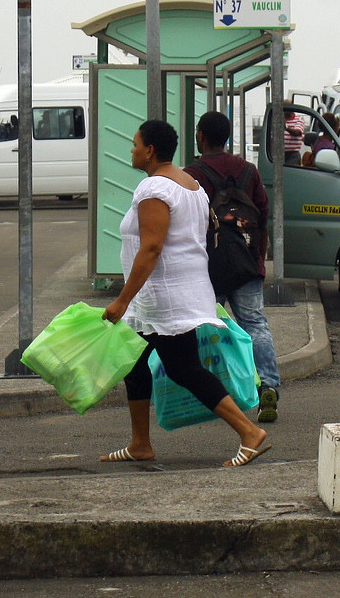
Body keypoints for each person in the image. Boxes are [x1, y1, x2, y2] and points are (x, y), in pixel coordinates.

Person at [100, 120, 269, 468]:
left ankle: (249, 433)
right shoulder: (191, 185)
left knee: (184, 368)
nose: (131, 150)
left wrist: (122, 299)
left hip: (164, 299)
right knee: (134, 363)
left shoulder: (154, 189)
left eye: (135, 144)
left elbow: (151, 248)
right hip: (177, 293)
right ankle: (140, 443)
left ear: (149, 151)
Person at [185, 110, 283, 423]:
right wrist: (259, 260)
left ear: (200, 136)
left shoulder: (192, 175)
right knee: (254, 324)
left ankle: (213, 395)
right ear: (226, 137)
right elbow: (263, 218)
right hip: (246, 262)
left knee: (206, 328)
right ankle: (268, 384)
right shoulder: (248, 171)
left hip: (207, 266)